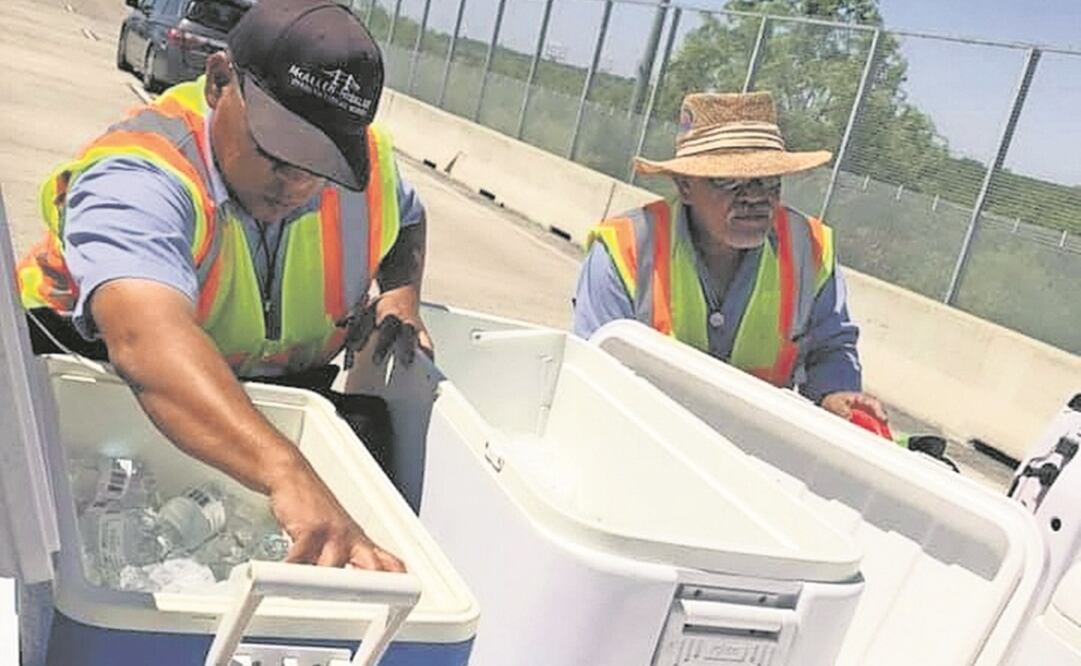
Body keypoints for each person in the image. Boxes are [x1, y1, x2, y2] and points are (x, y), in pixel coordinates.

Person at [16, 0, 428, 572]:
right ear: (217, 82)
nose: (298, 184)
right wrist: (286, 472)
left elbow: (406, 219)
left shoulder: (367, 168)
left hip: (260, 391)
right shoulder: (142, 172)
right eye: (277, 153)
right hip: (84, 384)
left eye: (321, 164)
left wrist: (401, 297)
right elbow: (145, 343)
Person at [574, 91, 886, 424]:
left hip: (752, 450)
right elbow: (594, 377)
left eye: (768, 181)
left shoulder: (810, 248)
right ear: (685, 186)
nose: (754, 197)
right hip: (643, 435)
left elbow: (830, 347)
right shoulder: (625, 250)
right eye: (729, 181)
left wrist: (834, 392)